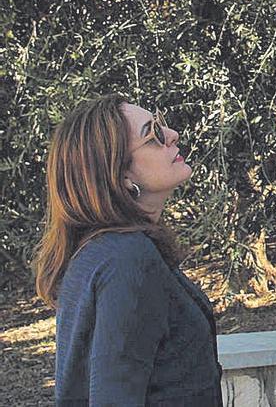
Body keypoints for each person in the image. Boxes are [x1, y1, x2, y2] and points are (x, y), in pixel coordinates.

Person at [31, 94, 223, 406]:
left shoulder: (102, 253)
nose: (172, 135)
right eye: (153, 135)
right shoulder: (126, 259)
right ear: (120, 177)